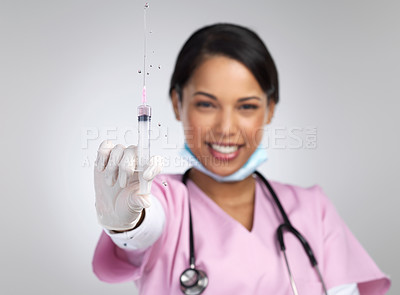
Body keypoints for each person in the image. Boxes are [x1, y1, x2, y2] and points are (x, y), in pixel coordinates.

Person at [92, 23, 391, 295]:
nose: (225, 128)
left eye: (246, 107)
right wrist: (128, 225)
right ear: (176, 102)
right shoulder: (158, 197)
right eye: (206, 104)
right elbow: (146, 224)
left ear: (270, 109)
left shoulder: (313, 211)